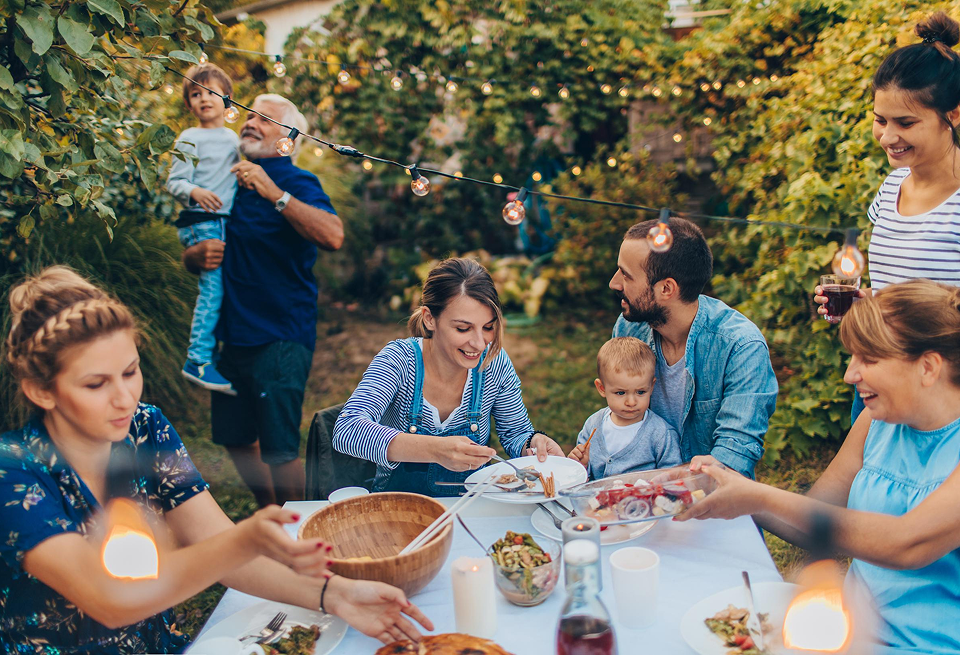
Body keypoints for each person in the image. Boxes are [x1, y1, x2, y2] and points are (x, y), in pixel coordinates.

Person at [0, 267, 433, 654]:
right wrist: (245, 539)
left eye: (131, 372)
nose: (124, 397)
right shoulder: (13, 472)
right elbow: (110, 600)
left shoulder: (145, 428)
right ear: (41, 390)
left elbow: (220, 546)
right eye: (96, 384)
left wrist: (334, 594)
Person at [680, 279, 960, 654]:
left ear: (928, 367)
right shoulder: (876, 422)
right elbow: (816, 514)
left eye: (869, 359)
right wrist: (728, 486)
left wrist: (757, 495)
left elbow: (905, 543)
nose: (850, 375)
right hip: (849, 637)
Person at [182, 94, 344, 508]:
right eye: (249, 115)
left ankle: (299, 527)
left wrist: (275, 192)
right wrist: (193, 257)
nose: (251, 122)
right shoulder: (223, 179)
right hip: (231, 334)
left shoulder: (298, 182)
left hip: (280, 333)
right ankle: (271, 514)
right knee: (236, 438)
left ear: (288, 139)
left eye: (265, 120)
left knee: (279, 448)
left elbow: (333, 235)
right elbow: (196, 244)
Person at [814, 12, 960, 423]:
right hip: (881, 378)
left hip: (943, 394)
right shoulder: (892, 187)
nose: (888, 136)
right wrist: (866, 308)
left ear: (954, 114)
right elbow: (895, 292)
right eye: (880, 120)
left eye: (906, 122)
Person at [333, 258, 564, 496]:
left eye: (488, 327)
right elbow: (348, 430)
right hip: (398, 507)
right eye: (463, 328)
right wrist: (435, 450)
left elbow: (515, 433)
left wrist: (533, 444)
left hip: (471, 506)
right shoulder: (399, 360)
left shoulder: (494, 363)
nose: (479, 343)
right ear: (429, 318)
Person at [609, 216, 778, 478]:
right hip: (635, 497)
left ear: (667, 288)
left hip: (708, 502)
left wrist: (647, 483)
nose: (614, 283)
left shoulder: (741, 347)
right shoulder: (629, 329)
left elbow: (732, 461)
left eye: (626, 275)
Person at [166, 63, 240, 395]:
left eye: (211, 92)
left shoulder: (233, 139)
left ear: (228, 100)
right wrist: (193, 191)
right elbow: (174, 181)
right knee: (212, 292)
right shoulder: (189, 137)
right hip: (200, 221)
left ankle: (213, 354)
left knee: (221, 290)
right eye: (196, 94)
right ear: (189, 105)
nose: (204, 99)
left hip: (222, 222)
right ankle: (196, 360)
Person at [567, 337, 681, 479]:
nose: (631, 402)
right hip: (596, 499)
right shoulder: (593, 425)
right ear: (602, 388)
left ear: (651, 387)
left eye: (640, 392)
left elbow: (673, 477)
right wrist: (581, 465)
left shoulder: (660, 433)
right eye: (620, 393)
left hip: (642, 500)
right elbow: (582, 479)